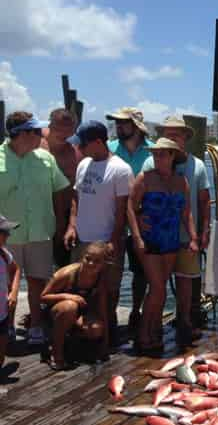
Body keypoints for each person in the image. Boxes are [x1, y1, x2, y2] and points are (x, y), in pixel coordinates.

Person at [0, 112, 69, 345]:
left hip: (41, 231)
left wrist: (61, 224)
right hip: (6, 236)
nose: (42, 135)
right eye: (37, 131)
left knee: (38, 280)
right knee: (6, 284)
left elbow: (60, 190)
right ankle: (6, 326)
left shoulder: (45, 159)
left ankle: (36, 326)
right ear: (23, 134)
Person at [142, 116, 210, 346]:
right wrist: (140, 219)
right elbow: (136, 199)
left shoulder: (197, 165)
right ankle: (151, 328)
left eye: (178, 134)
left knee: (185, 283)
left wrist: (203, 232)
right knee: (157, 286)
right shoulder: (151, 164)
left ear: (185, 138)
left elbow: (202, 203)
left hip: (185, 238)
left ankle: (184, 321)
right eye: (169, 133)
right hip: (158, 239)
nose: (173, 137)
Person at [64, 121, 133, 346]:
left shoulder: (121, 169)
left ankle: (108, 335)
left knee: (109, 292)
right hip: (82, 240)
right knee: (79, 289)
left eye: (83, 144)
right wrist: (71, 226)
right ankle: (80, 333)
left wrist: (114, 241)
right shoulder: (83, 163)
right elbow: (76, 197)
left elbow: (123, 209)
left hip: (106, 243)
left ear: (98, 142)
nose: (80, 149)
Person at [127, 138, 198, 352]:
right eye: (155, 154)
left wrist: (194, 238)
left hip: (171, 241)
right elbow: (130, 206)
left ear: (172, 156)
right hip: (150, 240)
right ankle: (143, 334)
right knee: (157, 288)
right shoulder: (145, 178)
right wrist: (137, 236)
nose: (158, 158)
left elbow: (186, 213)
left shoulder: (181, 181)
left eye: (163, 154)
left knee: (160, 290)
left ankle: (154, 331)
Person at [105, 107, 153, 335]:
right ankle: (109, 314)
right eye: (117, 122)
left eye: (124, 122)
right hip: (111, 218)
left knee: (140, 270)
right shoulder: (108, 149)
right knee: (110, 268)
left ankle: (136, 310)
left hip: (141, 221)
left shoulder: (154, 152)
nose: (118, 126)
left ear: (136, 126)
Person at [41, 241, 110, 371]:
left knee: (96, 328)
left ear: (103, 264)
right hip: (56, 312)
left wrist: (105, 344)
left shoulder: (101, 278)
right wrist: (68, 296)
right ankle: (55, 352)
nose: (91, 264)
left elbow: (102, 311)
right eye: (88, 259)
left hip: (78, 314)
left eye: (97, 261)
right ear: (82, 257)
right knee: (69, 307)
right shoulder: (67, 274)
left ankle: (71, 344)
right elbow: (43, 297)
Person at [40, 108, 83, 268]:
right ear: (50, 124)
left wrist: (70, 222)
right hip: (38, 217)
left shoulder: (74, 152)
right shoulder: (34, 142)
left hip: (64, 218)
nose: (63, 135)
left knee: (65, 268)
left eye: (69, 131)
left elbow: (76, 190)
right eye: (59, 129)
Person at [0, 214, 20, 368]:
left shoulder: (4, 254)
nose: (8, 235)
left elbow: (16, 269)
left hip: (3, 313)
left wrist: (13, 292)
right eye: (4, 232)